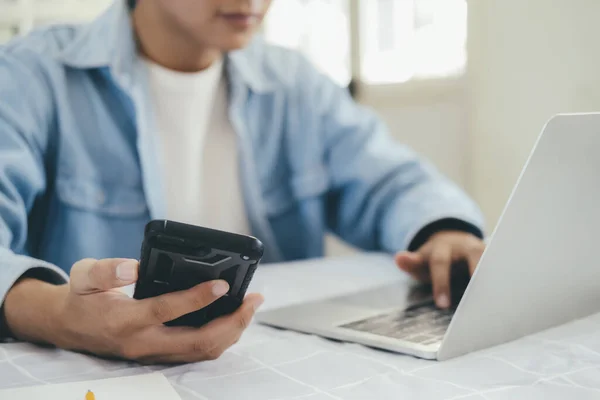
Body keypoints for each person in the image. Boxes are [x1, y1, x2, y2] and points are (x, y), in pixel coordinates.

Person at [0, 0, 486, 363]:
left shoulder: (294, 84)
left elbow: (392, 180)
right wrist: (56, 314)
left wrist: (444, 230)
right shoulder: (30, 76)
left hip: (264, 369)